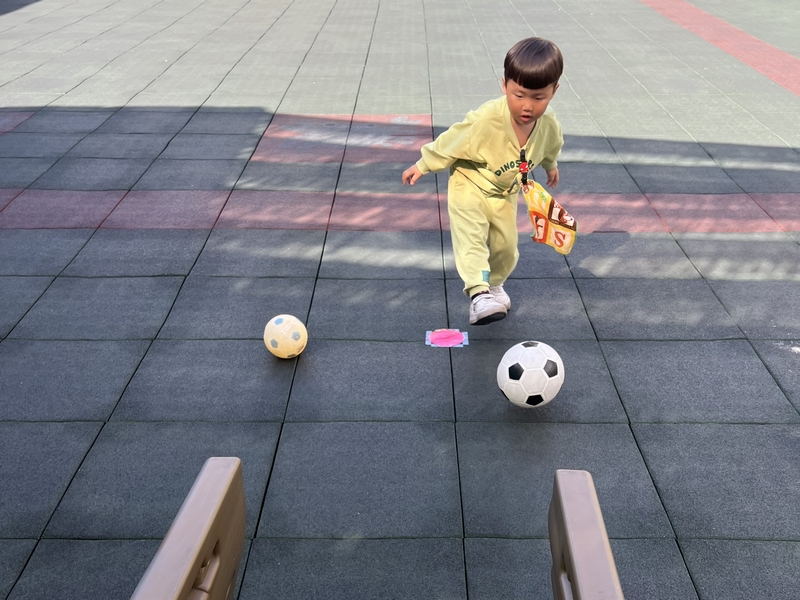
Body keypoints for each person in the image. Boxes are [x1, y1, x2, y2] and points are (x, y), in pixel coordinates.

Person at [402, 37, 564, 325]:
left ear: (554, 91)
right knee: (472, 238)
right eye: (519, 95)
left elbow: (551, 146)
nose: (527, 106)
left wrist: (550, 166)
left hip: (504, 193)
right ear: (504, 85)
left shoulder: (548, 124)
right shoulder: (487, 120)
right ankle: (479, 294)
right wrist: (423, 164)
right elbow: (452, 140)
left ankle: (494, 285)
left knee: (506, 247)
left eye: (538, 98)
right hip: (470, 184)